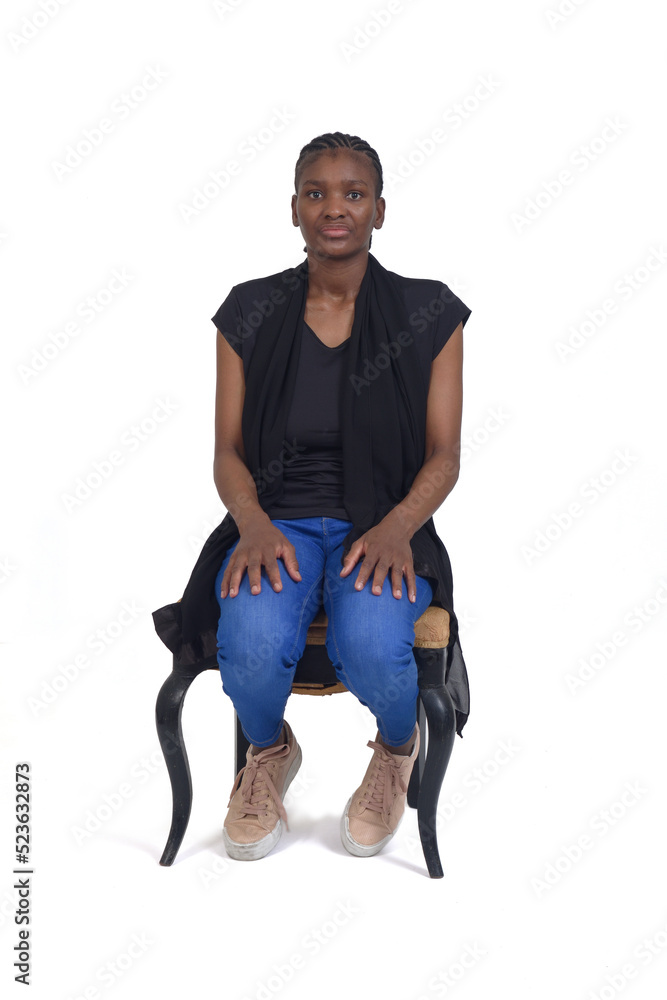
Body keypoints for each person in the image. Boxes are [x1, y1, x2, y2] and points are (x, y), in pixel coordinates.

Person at [152, 131, 472, 863]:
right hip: (274, 521)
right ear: (293, 208)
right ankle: (268, 753)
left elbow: (445, 457)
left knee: (371, 646)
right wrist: (252, 524)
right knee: (250, 648)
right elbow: (227, 452)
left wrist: (397, 527)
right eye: (316, 193)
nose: (335, 208)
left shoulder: (429, 313)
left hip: (384, 525)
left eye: (354, 193)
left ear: (379, 210)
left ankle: (396, 750)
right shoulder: (248, 310)